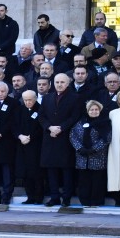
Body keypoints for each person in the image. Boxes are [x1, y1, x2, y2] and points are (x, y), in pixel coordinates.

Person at [41, 74, 82, 207]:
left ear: (68, 83)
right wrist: (49, 127)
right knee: (51, 170)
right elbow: (41, 116)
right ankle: (54, 197)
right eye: (57, 82)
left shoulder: (75, 98)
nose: (59, 84)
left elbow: (75, 116)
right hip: (50, 138)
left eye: (62, 82)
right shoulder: (47, 98)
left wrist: (61, 128)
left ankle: (66, 198)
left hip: (66, 138)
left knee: (66, 170)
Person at [71, 100, 110, 207]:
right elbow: (72, 135)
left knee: (97, 181)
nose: (94, 111)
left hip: (98, 157)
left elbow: (106, 138)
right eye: (91, 110)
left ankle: (96, 201)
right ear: (87, 111)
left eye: (96, 109)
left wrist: (94, 149)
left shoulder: (105, 122)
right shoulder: (80, 123)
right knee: (84, 181)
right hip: (82, 158)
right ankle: (85, 201)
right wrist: (80, 148)